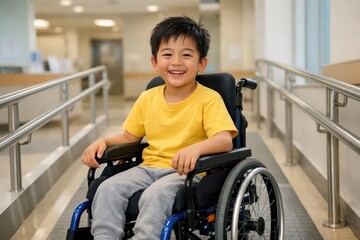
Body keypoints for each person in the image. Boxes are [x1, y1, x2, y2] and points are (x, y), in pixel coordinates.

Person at [81, 16, 238, 240]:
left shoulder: (209, 99)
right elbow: (129, 137)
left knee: (154, 195)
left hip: (185, 172)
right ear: (154, 62)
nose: (176, 62)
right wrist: (104, 142)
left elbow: (224, 140)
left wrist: (195, 149)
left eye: (186, 54)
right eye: (167, 54)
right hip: (147, 168)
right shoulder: (147, 98)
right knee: (108, 189)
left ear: (201, 63)